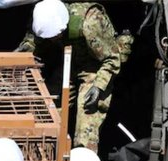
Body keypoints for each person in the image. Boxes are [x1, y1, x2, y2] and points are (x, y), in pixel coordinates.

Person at [17, 0, 122, 152]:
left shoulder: (90, 22)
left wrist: (99, 85)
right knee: (48, 110)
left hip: (96, 67)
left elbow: (112, 58)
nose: (52, 40)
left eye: (55, 37)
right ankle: (46, 157)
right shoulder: (43, 17)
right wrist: (23, 53)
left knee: (86, 121)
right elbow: (33, 41)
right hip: (68, 63)